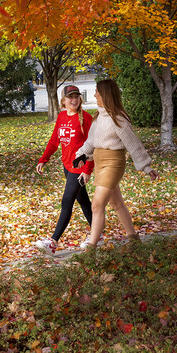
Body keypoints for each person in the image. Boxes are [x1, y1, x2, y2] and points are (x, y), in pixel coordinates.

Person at [71, 79, 158, 248]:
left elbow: (133, 145)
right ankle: (135, 241)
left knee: (96, 204)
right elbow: (91, 141)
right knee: (117, 204)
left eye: (97, 91)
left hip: (113, 164)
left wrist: (147, 167)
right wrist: (81, 155)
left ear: (105, 94)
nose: (95, 94)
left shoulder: (118, 118)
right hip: (99, 163)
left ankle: (91, 248)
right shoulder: (98, 117)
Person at [33, 84, 94, 253]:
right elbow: (54, 140)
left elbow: (93, 146)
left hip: (79, 168)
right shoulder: (61, 117)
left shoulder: (86, 118)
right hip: (67, 166)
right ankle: (98, 235)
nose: (73, 100)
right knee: (83, 202)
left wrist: (87, 169)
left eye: (76, 96)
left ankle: (53, 242)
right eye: (70, 97)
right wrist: (44, 159)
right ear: (63, 100)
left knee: (67, 202)